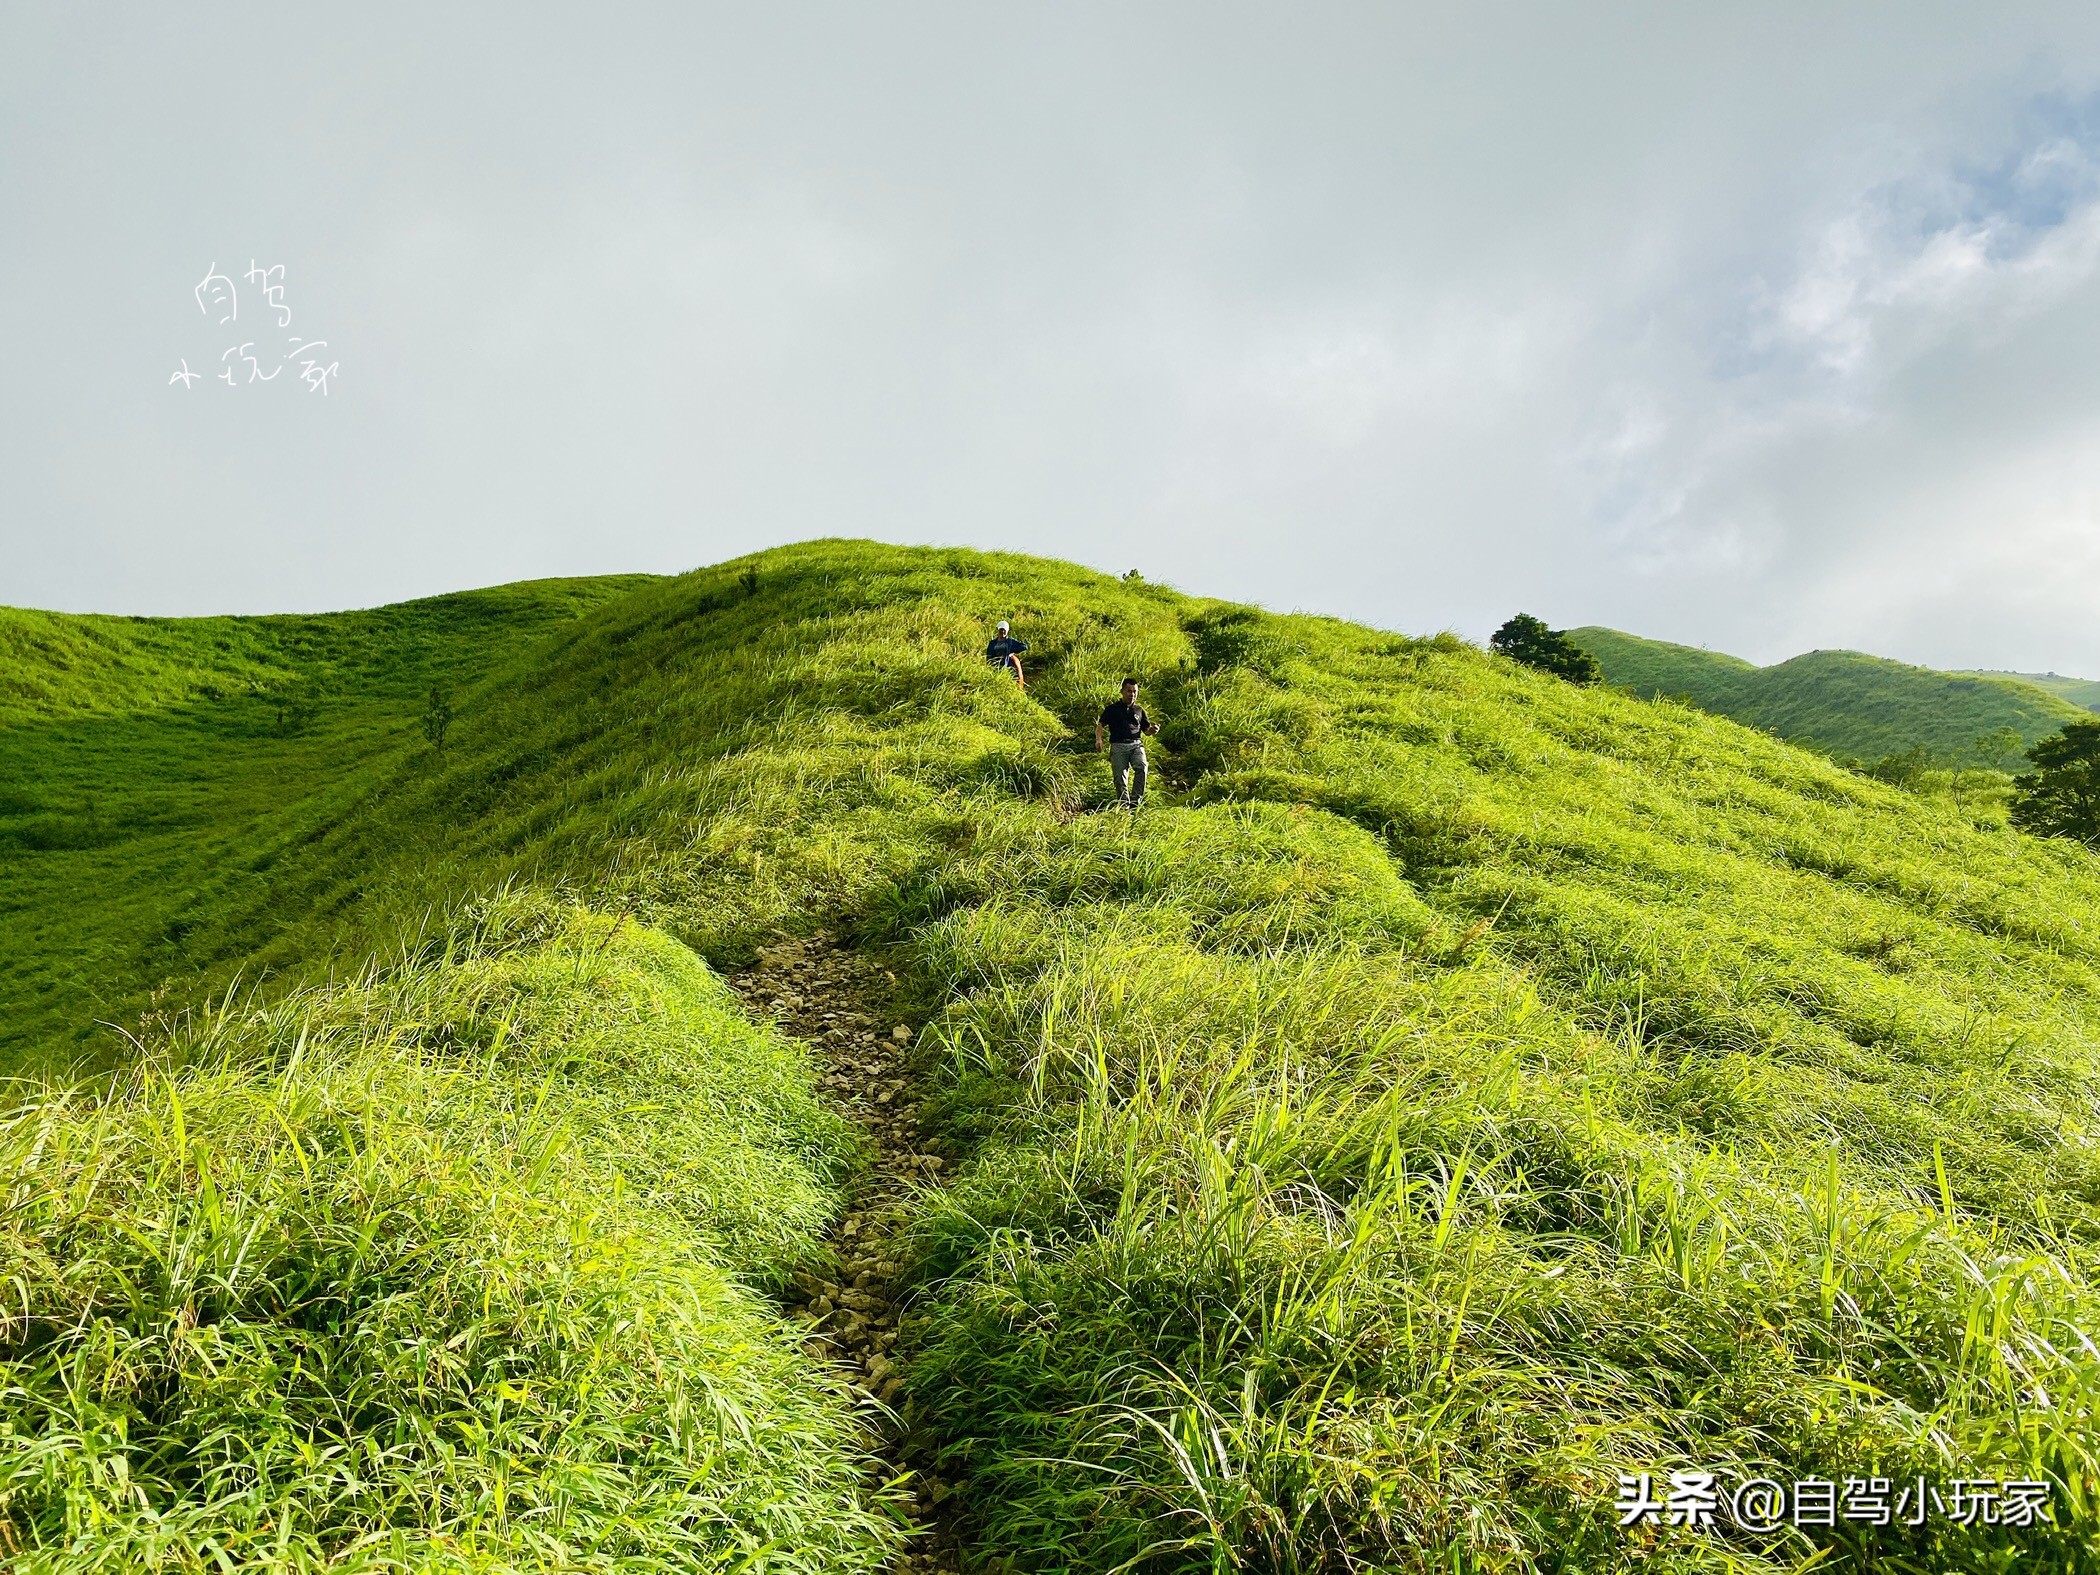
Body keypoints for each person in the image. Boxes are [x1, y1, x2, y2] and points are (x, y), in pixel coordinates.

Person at [1095, 677, 1158, 807]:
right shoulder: (1112, 709)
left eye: (1135, 691)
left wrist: (1153, 730)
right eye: (1129, 691)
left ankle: (1135, 801)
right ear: (1122, 691)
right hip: (1118, 746)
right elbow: (1100, 725)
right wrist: (1099, 739)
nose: (1132, 694)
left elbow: (1146, 730)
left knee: (1142, 767)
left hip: (1136, 744)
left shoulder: (1140, 711)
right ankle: (1124, 805)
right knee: (1120, 778)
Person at [985, 620, 1027, 687]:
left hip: (1008, 665)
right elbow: (989, 655)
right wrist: (989, 665)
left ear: (1007, 631)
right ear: (998, 630)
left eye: (1004, 630)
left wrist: (1011, 651)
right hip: (996, 665)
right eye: (1001, 630)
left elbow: (1024, 646)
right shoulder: (992, 643)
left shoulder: (1010, 641)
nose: (1003, 632)